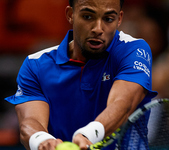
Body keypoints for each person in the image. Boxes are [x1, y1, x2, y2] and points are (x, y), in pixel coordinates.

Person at [5, 0, 157, 149]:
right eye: (88, 16)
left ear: (119, 19)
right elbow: (30, 121)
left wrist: (89, 135)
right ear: (70, 14)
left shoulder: (133, 50)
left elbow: (124, 102)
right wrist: (43, 140)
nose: (98, 28)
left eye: (108, 19)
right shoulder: (35, 64)